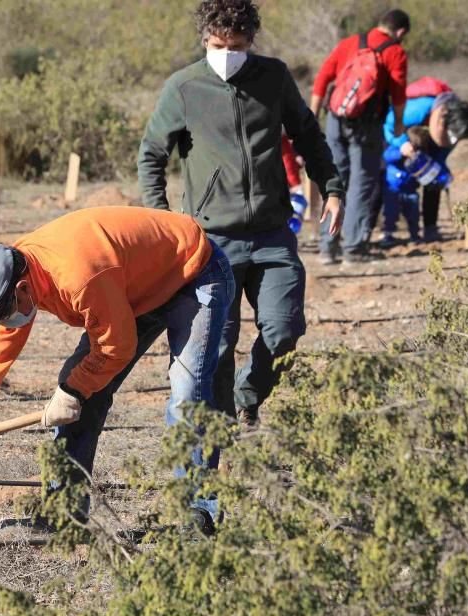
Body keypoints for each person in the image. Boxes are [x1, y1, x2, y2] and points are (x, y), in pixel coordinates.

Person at [0, 206, 235, 533]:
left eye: (2, 314)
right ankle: (65, 515)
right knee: (81, 394)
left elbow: (116, 346)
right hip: (133, 285)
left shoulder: (77, 275)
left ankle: (197, 516)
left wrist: (72, 391)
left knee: (187, 392)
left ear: (22, 290)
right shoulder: (17, 276)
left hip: (194, 270)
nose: (4, 323)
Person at [138, 0, 344, 427]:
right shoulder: (183, 87)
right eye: (218, 45)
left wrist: (333, 188)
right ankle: (223, 435)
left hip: (272, 232)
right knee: (217, 344)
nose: (228, 54)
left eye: (238, 45)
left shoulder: (273, 77)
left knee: (285, 330)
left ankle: (249, 394)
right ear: (204, 40)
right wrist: (164, 223)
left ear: (252, 40)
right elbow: (151, 156)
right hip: (212, 242)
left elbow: (306, 132)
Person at [310, 9, 410, 263]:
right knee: (361, 184)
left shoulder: (350, 43)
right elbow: (398, 93)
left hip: (335, 119)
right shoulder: (395, 52)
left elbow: (323, 79)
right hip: (367, 125)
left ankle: (326, 248)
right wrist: (398, 123)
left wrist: (312, 116)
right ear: (400, 32)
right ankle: (353, 249)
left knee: (334, 179)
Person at [380, 86, 468, 244]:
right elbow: (389, 125)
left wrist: (440, 173)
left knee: (434, 182)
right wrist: (401, 144)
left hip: (425, 145)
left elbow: (442, 154)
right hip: (399, 141)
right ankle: (373, 228)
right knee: (383, 184)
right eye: (453, 135)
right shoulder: (419, 109)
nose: (454, 141)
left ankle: (430, 228)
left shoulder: (455, 130)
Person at [380, 126, 450, 245]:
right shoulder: (396, 148)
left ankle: (414, 234)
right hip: (392, 189)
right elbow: (387, 157)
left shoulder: (421, 155)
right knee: (390, 213)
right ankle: (388, 235)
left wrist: (443, 179)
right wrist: (401, 154)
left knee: (413, 214)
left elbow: (432, 168)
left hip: (410, 189)